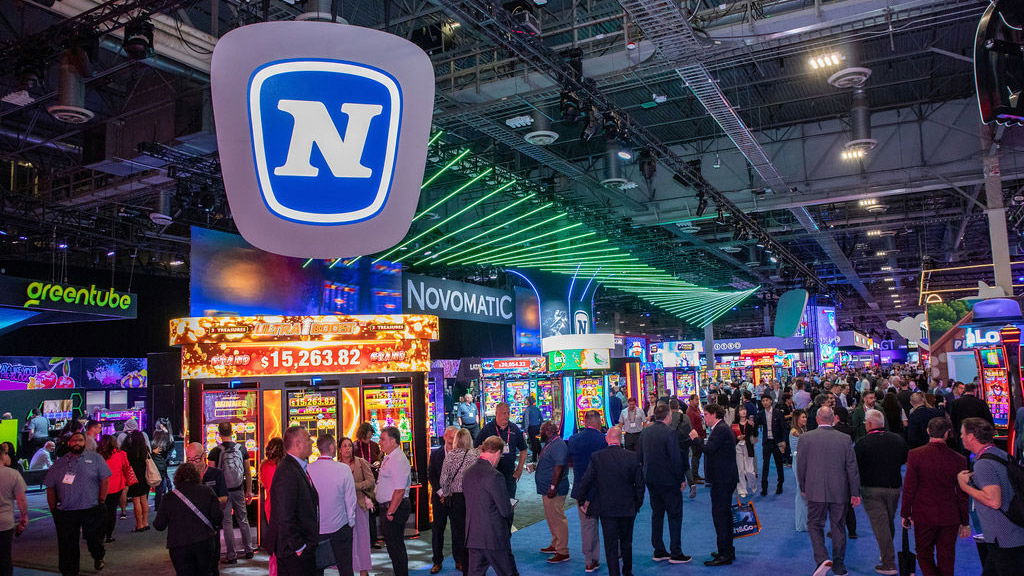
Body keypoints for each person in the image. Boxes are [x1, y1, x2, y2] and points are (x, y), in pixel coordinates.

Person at [797, 407, 861, 576]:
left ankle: (822, 558)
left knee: (814, 524)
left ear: (817, 419)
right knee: (838, 526)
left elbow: (801, 466)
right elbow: (852, 468)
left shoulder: (805, 438)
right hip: (840, 490)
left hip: (814, 489)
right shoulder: (845, 439)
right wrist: (855, 492)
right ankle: (839, 565)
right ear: (833, 419)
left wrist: (803, 487)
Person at [901, 417, 969, 576]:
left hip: (923, 513)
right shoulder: (959, 459)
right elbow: (962, 493)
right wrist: (965, 521)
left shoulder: (915, 455)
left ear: (928, 431)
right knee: (947, 556)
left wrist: (905, 513)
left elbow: (909, 487)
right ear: (947, 433)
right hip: (950, 514)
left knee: (923, 553)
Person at [957, 417, 1024, 574]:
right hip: (1011, 533)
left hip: (1004, 538)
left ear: (971, 437)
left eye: (962, 433)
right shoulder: (1000, 454)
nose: (961, 437)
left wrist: (964, 486)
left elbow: (993, 501)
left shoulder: (983, 464)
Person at [577, 426, 643, 576]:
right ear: (621, 439)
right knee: (626, 542)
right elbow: (640, 484)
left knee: (610, 544)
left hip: (606, 509)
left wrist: (581, 500)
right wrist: (636, 504)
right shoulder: (632, 457)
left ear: (607, 438)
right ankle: (627, 571)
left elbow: (586, 481)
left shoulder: (597, 457)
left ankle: (614, 573)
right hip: (627, 508)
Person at [44, 431, 110, 575]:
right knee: (68, 545)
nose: (77, 443)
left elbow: (105, 479)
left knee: (93, 539)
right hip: (67, 511)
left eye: (80, 440)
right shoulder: (59, 463)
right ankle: (70, 572)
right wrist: (53, 509)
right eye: (74, 440)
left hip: (91, 507)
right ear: (69, 443)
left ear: (85, 442)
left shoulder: (96, 459)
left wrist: (101, 499)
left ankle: (98, 555)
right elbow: (50, 487)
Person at [854, 409, 908, 575]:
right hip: (894, 487)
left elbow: (855, 467)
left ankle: (888, 563)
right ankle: (886, 553)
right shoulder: (897, 439)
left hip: (871, 489)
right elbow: (904, 459)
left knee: (881, 526)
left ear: (870, 424)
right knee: (888, 522)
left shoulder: (862, 443)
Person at [639, 403, 690, 564]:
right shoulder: (670, 433)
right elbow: (675, 458)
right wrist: (681, 479)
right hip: (669, 481)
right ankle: (676, 552)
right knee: (674, 516)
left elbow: (639, 456)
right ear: (668, 416)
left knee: (657, 514)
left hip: (651, 479)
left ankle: (659, 550)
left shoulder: (645, 432)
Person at [153, 463, 223, 576]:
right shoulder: (207, 491)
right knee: (207, 572)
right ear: (197, 476)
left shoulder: (169, 497)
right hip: (204, 540)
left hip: (178, 545)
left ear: (177, 478)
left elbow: (159, 525)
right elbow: (217, 517)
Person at [268, 427, 319, 576]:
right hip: (293, 552)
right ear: (297, 443)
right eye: (308, 438)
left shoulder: (296, 467)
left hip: (301, 547)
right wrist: (299, 547)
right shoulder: (287, 471)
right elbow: (284, 516)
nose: (311, 442)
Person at [694, 403, 739, 566]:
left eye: (706, 415)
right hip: (723, 478)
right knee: (723, 516)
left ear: (714, 414)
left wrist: (696, 439)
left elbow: (709, 449)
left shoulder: (720, 429)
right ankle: (726, 550)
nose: (704, 418)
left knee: (721, 517)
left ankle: (724, 554)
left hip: (723, 479)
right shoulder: (721, 428)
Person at [464, 436, 515, 576]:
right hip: (494, 536)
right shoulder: (495, 476)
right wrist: (510, 507)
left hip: (473, 535)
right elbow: (505, 510)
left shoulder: (468, 473)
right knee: (508, 572)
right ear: (498, 453)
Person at [308, 435, 355, 576]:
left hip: (316, 528)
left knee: (316, 568)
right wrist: (351, 522)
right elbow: (350, 499)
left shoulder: (308, 469)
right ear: (331, 447)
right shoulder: (344, 469)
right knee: (345, 568)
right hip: (340, 526)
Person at [207, 422, 253, 563]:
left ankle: (232, 556)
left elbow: (211, 476)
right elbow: (248, 472)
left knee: (227, 523)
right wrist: (249, 490)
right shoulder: (242, 449)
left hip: (223, 493)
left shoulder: (214, 452)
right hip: (238, 489)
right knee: (243, 520)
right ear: (232, 432)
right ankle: (249, 550)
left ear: (219, 434)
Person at [568, 410, 607, 572]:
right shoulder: (603, 440)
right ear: (598, 422)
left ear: (584, 422)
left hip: (581, 490)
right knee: (609, 525)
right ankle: (614, 555)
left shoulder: (573, 439)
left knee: (587, 526)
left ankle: (589, 560)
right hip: (601, 489)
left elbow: (569, 461)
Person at [439, 428, 480, 573]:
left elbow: (444, 480)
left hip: (456, 499)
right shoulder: (475, 455)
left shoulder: (451, 456)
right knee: (473, 530)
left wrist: (446, 493)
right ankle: (475, 562)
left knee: (459, 532)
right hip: (473, 497)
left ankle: (463, 562)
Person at [185, 442, 228, 575]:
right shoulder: (185, 476)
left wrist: (207, 502)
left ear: (204, 456)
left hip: (211, 526)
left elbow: (224, 498)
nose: (193, 463)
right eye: (189, 459)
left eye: (196, 459)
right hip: (191, 529)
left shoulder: (217, 474)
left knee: (212, 563)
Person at [534, 420, 570, 564]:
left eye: (542, 431)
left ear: (549, 431)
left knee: (558, 519)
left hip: (555, 489)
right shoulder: (551, 443)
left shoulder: (558, 445)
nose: (540, 434)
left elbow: (559, 467)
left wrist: (553, 486)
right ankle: (555, 544)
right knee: (551, 518)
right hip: (547, 488)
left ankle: (562, 551)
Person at [377, 426, 412, 576]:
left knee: (396, 547)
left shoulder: (398, 459)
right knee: (393, 547)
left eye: (383, 439)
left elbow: (399, 490)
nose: (380, 442)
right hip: (389, 507)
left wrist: (390, 511)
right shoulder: (390, 457)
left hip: (395, 508)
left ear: (393, 441)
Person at [338, 437, 375, 576]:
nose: (347, 448)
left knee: (362, 539)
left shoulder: (361, 462)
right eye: (344, 446)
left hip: (360, 505)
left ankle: (363, 571)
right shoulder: (337, 466)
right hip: (342, 508)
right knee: (347, 540)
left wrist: (355, 486)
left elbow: (371, 481)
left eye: (349, 445)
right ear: (339, 449)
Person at [474, 403, 527, 499]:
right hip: (491, 474)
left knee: (509, 502)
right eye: (504, 413)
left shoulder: (514, 428)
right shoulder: (487, 429)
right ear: (496, 413)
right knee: (492, 502)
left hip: (509, 475)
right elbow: (476, 448)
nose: (507, 416)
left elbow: (523, 450)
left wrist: (519, 470)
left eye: (508, 413)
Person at [429, 427, 458, 574]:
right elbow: (431, 475)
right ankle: (437, 562)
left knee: (457, 530)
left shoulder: (462, 454)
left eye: (455, 437)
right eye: (451, 437)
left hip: (456, 498)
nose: (453, 440)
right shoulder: (435, 454)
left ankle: (459, 560)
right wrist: (442, 493)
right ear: (445, 437)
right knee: (437, 531)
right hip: (439, 498)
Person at [97, 435, 133, 543]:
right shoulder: (121, 454)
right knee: (111, 511)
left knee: (100, 512)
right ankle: (109, 535)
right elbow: (126, 467)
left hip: (100, 487)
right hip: (116, 486)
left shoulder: (97, 455)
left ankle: (100, 534)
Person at [353, 423, 381, 550]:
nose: (369, 438)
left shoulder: (374, 445)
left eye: (371, 436)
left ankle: (373, 539)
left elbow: (379, 458)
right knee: (359, 511)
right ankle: (360, 540)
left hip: (371, 481)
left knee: (372, 511)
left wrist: (377, 463)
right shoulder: (354, 446)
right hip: (358, 482)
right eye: (367, 436)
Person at [259, 437, 285, 576]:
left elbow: (264, 484)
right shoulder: (284, 467)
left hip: (270, 505)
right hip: (282, 506)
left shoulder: (264, 466)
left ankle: (274, 570)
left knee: (275, 539)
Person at [0, 445, 27, 576]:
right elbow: (21, 500)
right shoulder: (13, 474)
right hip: (4, 523)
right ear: (3, 455)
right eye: (7, 453)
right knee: (4, 558)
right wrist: (24, 518)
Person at [755, 394, 788, 496]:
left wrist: (784, 441)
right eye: (763, 401)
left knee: (779, 464)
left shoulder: (778, 413)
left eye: (766, 400)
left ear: (771, 401)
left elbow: (783, 428)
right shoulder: (760, 414)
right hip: (767, 442)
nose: (765, 402)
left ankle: (780, 485)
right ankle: (764, 488)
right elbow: (755, 425)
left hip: (777, 442)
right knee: (765, 465)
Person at [121, 426, 151, 532]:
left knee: (136, 500)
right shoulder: (145, 449)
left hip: (133, 476)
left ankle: (139, 524)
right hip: (144, 476)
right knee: (144, 499)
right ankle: (145, 522)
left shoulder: (128, 451)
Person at [949, 383, 994, 454]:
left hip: (962, 433)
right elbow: (988, 419)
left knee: (964, 454)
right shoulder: (981, 403)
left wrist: (956, 433)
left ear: (964, 390)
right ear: (975, 390)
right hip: (978, 434)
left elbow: (952, 419)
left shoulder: (955, 402)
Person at [732, 406, 757, 498]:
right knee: (740, 469)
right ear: (737, 413)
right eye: (741, 410)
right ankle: (741, 489)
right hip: (738, 446)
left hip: (748, 447)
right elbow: (732, 437)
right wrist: (737, 438)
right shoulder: (734, 424)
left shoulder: (750, 423)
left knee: (749, 470)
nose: (743, 411)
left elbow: (755, 435)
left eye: (744, 410)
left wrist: (754, 426)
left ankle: (753, 484)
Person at [791, 409, 808, 532]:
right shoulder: (794, 432)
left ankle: (804, 522)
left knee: (804, 492)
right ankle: (800, 524)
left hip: (803, 463)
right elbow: (795, 451)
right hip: (798, 464)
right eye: (803, 417)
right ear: (797, 418)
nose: (805, 419)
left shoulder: (802, 430)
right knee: (801, 491)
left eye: (805, 417)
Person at [151, 430, 173, 512]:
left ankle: (157, 506)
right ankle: (158, 506)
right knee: (160, 488)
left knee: (158, 488)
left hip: (154, 466)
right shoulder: (163, 445)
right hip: (161, 467)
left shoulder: (153, 445)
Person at [685, 395, 705, 486]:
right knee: (695, 456)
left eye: (698, 400)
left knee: (697, 456)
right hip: (696, 437)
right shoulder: (689, 411)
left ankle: (696, 475)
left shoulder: (696, 409)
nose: (698, 401)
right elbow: (691, 426)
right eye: (696, 400)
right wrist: (695, 438)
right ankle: (694, 476)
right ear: (691, 401)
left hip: (700, 435)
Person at [523, 396, 543, 463]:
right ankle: (541, 457)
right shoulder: (537, 408)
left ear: (529, 402)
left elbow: (527, 421)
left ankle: (534, 459)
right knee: (537, 442)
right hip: (537, 428)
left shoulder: (528, 409)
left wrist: (525, 430)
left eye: (526, 400)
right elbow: (541, 419)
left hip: (531, 428)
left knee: (533, 443)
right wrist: (539, 426)